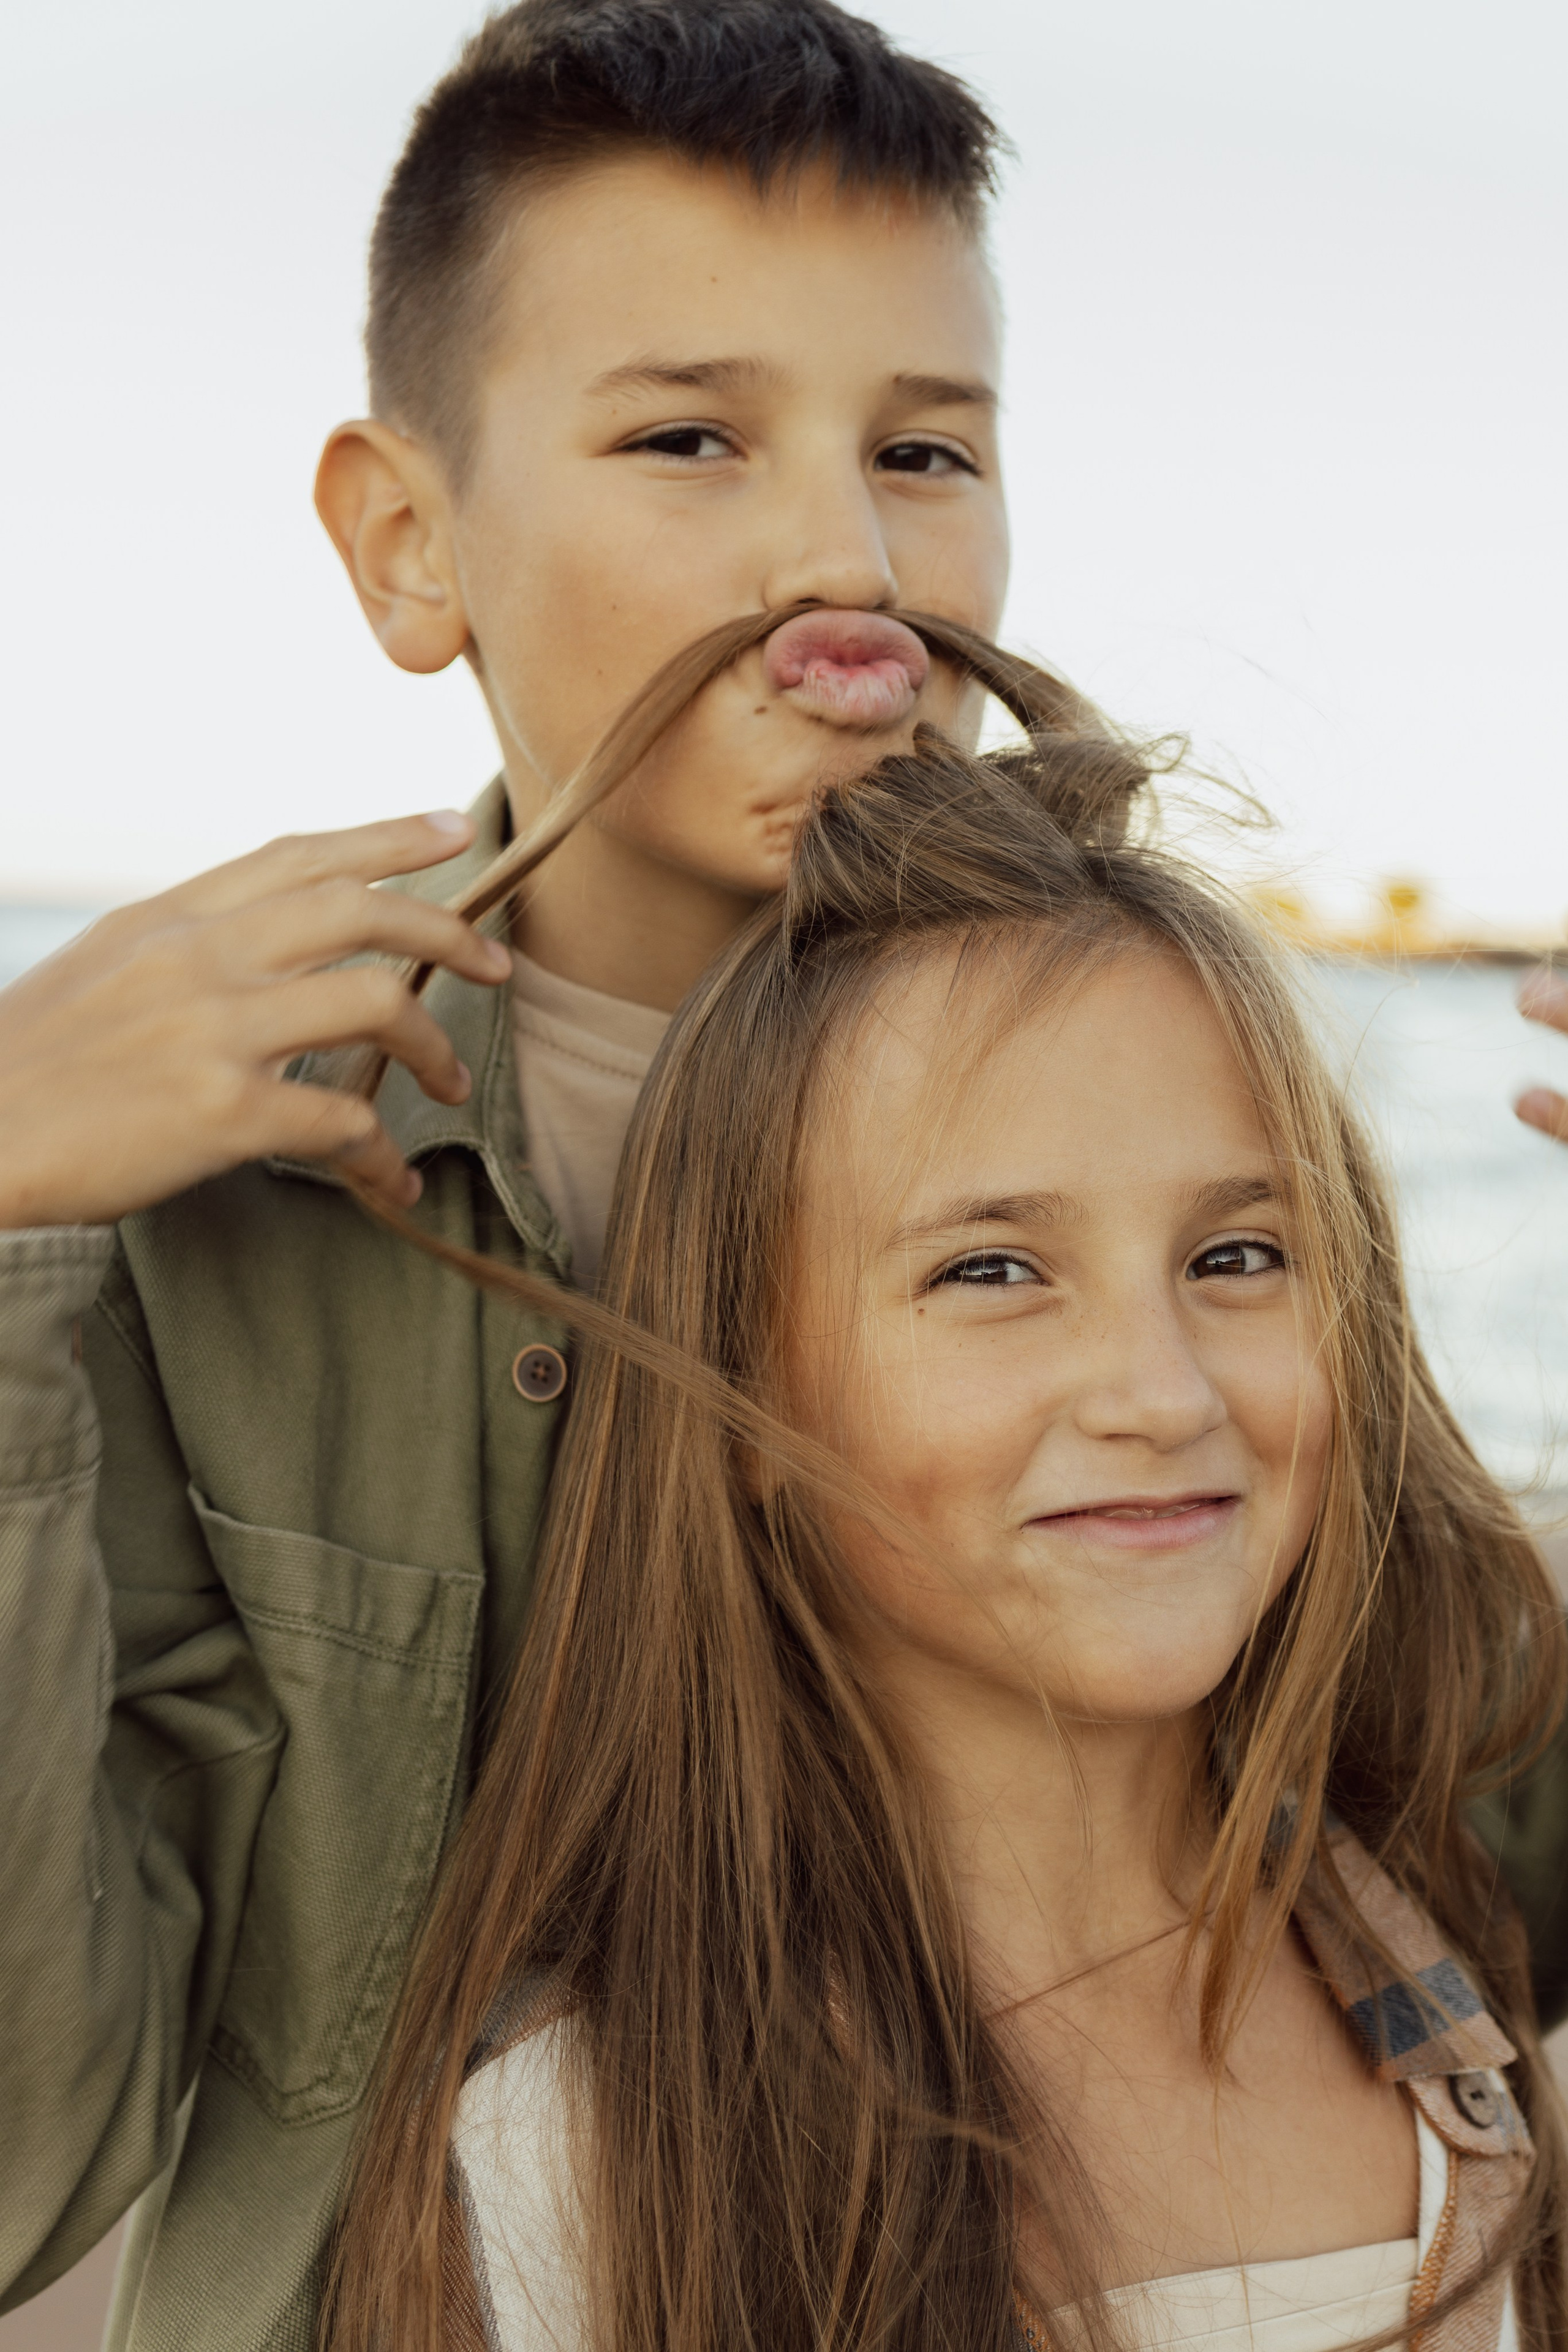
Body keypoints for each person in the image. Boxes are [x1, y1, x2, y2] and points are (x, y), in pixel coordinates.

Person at [0, 6, 1011, 2346]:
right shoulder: (181, 1203)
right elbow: (25, 2163)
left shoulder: (1178, 1131)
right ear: (406, 542)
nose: (848, 563)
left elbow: (1442, 1859)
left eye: (929, 449)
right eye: (689, 437)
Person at [317, 704, 1568, 2352]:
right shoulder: (597, 2154)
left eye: (1241, 1255)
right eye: (991, 1271)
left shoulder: (1444, 1962)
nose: (1161, 1389)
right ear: (743, 1399)